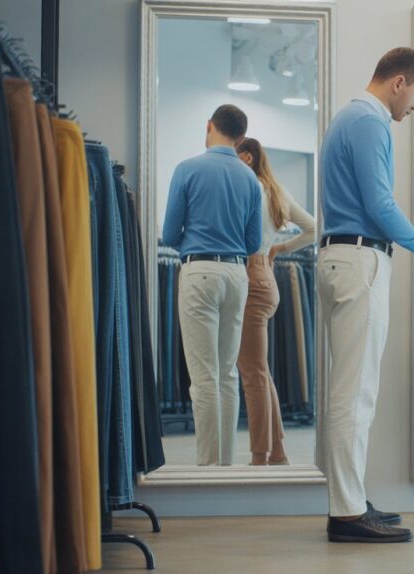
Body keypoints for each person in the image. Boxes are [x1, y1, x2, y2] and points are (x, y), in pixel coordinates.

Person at [318, 47, 414, 544]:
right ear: (397, 82)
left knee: (348, 389)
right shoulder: (371, 122)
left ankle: (348, 499)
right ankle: (347, 513)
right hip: (360, 259)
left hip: (339, 256)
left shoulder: (345, 118)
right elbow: (380, 203)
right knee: (356, 392)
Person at [162, 105, 262, 466]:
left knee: (203, 378)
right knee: (226, 374)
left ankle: (207, 468)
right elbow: (253, 243)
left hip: (199, 270)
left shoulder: (187, 169)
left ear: (209, 127)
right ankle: (226, 466)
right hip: (237, 275)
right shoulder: (250, 179)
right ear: (240, 137)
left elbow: (170, 234)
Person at [235, 137, 317, 466]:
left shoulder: (249, 188)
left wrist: (276, 249)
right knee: (259, 369)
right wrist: (280, 249)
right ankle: (278, 451)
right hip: (265, 277)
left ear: (249, 156)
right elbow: (313, 228)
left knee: (252, 372)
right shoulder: (278, 191)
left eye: (236, 156)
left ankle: (259, 456)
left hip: (250, 277)